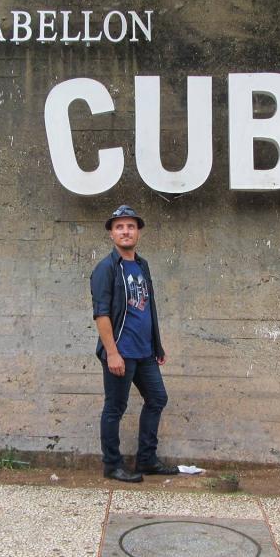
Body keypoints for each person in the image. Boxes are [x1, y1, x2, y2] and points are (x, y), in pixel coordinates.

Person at [90, 205, 179, 482]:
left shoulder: (142, 265)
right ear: (111, 234)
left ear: (138, 231)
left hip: (145, 352)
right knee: (115, 408)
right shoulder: (105, 269)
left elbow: (148, 308)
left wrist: (157, 345)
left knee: (157, 398)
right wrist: (112, 353)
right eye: (119, 227)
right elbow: (101, 314)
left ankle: (147, 460)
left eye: (130, 226)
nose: (125, 231)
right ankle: (112, 465)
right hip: (121, 352)